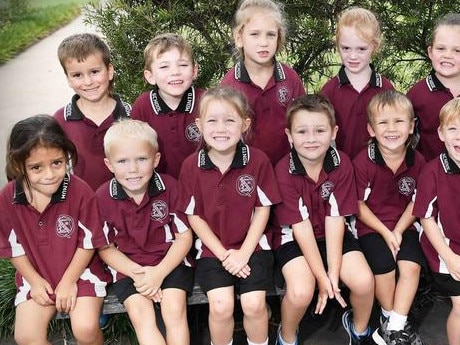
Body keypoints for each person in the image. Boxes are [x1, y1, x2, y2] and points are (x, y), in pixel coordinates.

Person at [178, 85, 281, 345]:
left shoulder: (258, 161)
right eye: (212, 120)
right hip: (213, 251)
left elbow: (262, 208)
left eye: (230, 121)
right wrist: (224, 255)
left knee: (254, 304)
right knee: (221, 306)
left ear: (244, 124)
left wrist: (244, 252)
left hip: (253, 247)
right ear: (200, 125)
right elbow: (194, 217)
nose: (220, 128)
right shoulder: (191, 166)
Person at [272, 94, 375, 345]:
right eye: (302, 131)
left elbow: (336, 218)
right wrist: (322, 278)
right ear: (289, 135)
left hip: (333, 233)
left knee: (363, 282)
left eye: (320, 130)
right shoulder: (284, 170)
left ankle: (358, 329)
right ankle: (286, 336)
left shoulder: (342, 165)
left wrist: (333, 271)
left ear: (333, 132)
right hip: (295, 237)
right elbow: (300, 227)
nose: (311, 139)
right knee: (300, 292)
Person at [0, 115, 109, 345]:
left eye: (57, 163)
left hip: (81, 275)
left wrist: (69, 281)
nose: (49, 175)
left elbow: (88, 242)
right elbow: (12, 247)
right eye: (36, 167)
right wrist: (35, 281)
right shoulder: (8, 197)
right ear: (19, 165)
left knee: (86, 329)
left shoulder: (80, 191)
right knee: (26, 336)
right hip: (37, 276)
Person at [96, 119, 193, 345]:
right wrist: (140, 275)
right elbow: (106, 248)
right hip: (128, 269)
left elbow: (184, 237)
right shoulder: (101, 197)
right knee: (141, 316)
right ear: (109, 165)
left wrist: (158, 273)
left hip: (170, 262)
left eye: (141, 159)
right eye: (122, 161)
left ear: (155, 159)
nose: (133, 169)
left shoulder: (170, 187)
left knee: (174, 309)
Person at [352, 90, 426, 345]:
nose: (391, 129)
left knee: (411, 267)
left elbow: (418, 201)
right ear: (371, 129)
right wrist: (386, 232)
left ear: (411, 126)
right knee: (383, 265)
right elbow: (358, 205)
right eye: (383, 123)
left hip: (405, 226)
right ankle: (389, 317)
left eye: (399, 121)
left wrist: (399, 229)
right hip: (371, 227)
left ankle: (393, 327)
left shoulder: (418, 161)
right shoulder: (363, 162)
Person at [220, 0, 306, 166]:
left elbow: (304, 121)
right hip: (247, 169)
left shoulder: (290, 78)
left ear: (278, 38)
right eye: (255, 34)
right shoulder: (229, 85)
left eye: (270, 35)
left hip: (288, 167)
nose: (263, 42)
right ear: (239, 38)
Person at [54, 33, 131, 191]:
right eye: (77, 75)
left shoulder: (131, 115)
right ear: (68, 78)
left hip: (126, 207)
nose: (88, 82)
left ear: (109, 71)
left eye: (94, 72)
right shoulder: (60, 121)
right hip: (82, 206)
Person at [413, 98, 460, 345]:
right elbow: (426, 217)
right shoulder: (432, 171)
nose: (459, 137)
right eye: (453, 129)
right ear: (441, 133)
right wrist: (449, 257)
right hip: (445, 249)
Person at [320, 7, 394, 159]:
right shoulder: (328, 91)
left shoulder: (386, 89)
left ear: (375, 46)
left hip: (378, 168)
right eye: (346, 48)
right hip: (340, 170)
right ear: (337, 45)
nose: (352, 56)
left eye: (361, 49)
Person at [131, 33, 205, 179]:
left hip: (202, 184)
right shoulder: (142, 107)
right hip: (161, 191)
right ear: (150, 76)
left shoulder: (206, 102)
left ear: (194, 70)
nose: (175, 72)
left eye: (183, 65)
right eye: (164, 66)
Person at [407, 13, 460, 161]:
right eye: (441, 48)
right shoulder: (417, 95)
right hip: (430, 178)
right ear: (430, 52)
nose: (447, 55)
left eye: (457, 50)